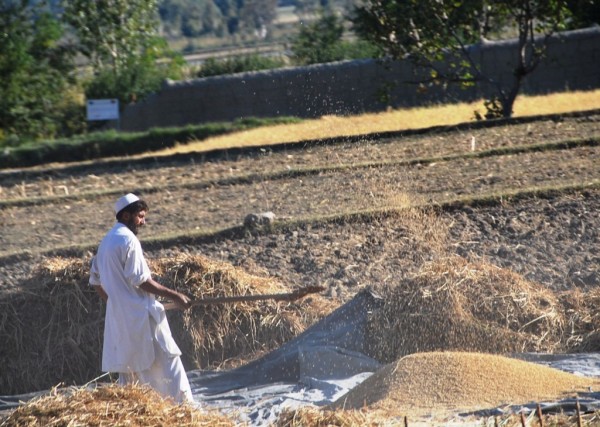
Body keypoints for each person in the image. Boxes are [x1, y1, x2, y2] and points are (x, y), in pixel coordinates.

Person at [89, 193, 194, 403]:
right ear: (126, 216)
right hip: (142, 318)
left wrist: (118, 304)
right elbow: (141, 281)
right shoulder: (128, 240)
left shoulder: (106, 242)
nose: (143, 222)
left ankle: (141, 413)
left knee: (131, 373)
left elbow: (95, 282)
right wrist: (176, 295)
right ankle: (185, 412)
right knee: (169, 364)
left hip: (121, 320)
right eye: (140, 216)